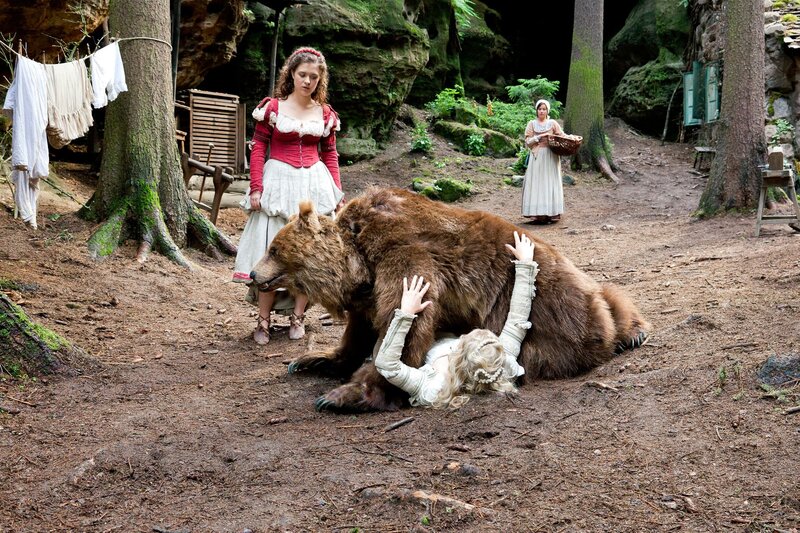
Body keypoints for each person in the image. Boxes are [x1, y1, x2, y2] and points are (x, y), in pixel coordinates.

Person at [233, 47, 344, 345]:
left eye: (313, 77)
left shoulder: (325, 114)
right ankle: (263, 320)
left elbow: (330, 154)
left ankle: (298, 317)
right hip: (279, 181)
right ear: (291, 74)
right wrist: (256, 186)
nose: (307, 81)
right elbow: (258, 147)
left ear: (320, 79)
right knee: (270, 249)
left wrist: (336, 193)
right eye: (302, 75)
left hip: (314, 185)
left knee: (308, 254)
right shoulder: (272, 108)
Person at [374, 231, 539, 409]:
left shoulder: (434, 388)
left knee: (376, 348)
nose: (460, 338)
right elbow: (517, 322)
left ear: (458, 355)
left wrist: (404, 314)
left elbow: (387, 366)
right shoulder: (503, 366)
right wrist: (525, 265)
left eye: (463, 341)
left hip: (429, 340)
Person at [522, 99, 564, 224]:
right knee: (537, 182)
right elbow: (528, 141)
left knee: (550, 181)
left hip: (551, 156)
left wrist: (571, 137)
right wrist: (538, 137)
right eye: (540, 109)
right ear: (537, 110)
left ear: (547, 111)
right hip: (537, 157)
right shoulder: (532, 124)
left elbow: (562, 136)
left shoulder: (552, 123)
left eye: (544, 109)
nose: (542, 111)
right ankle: (537, 213)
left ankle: (552, 212)